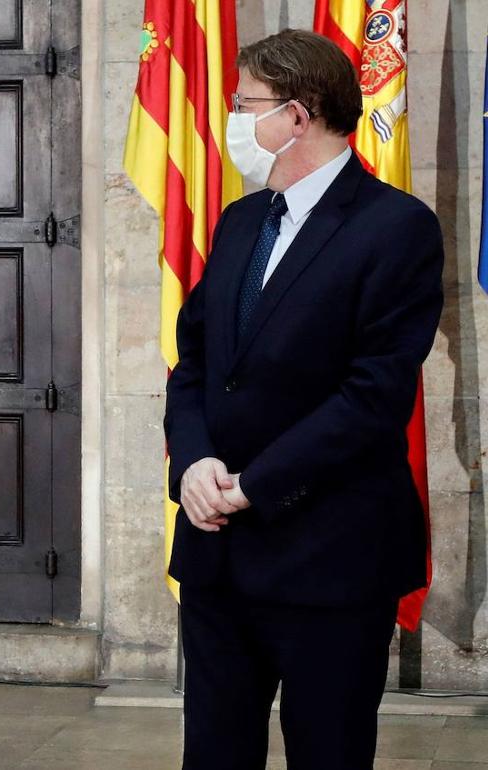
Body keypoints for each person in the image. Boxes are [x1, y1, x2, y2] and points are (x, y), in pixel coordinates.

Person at [164, 29, 443, 769]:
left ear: (297, 114)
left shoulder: (396, 227)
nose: (230, 119)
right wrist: (193, 465)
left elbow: (373, 395)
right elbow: (194, 365)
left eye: (243, 104)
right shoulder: (240, 221)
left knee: (328, 754)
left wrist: (254, 486)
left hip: (330, 553)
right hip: (218, 556)